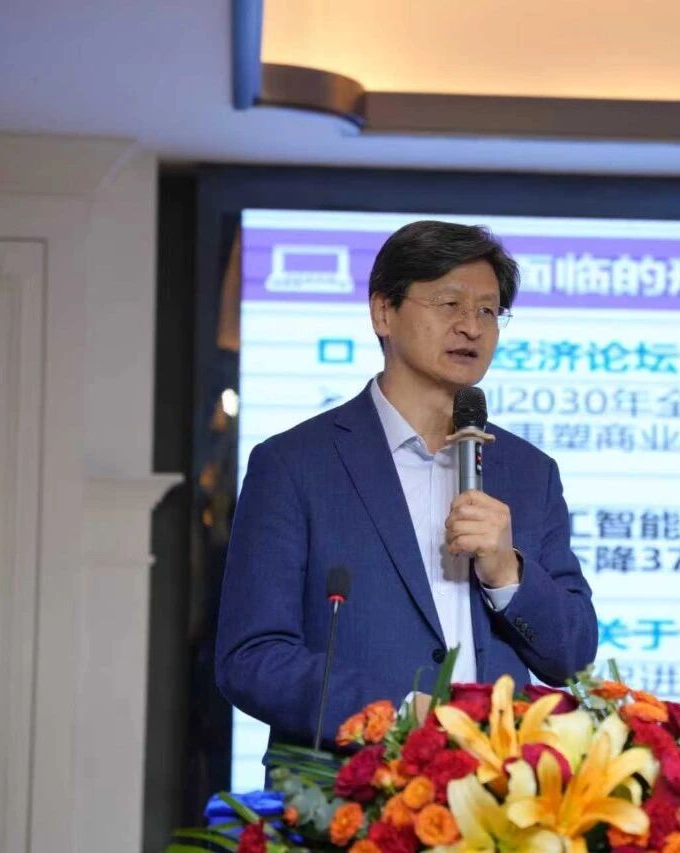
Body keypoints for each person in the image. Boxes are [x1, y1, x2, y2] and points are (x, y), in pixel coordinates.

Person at [215, 220, 598, 756]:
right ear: (383, 312)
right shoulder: (294, 465)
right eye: (450, 304)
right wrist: (394, 715)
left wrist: (507, 573)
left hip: (498, 792)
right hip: (353, 788)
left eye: (488, 311)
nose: (471, 327)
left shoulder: (531, 473)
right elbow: (252, 657)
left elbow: (573, 656)